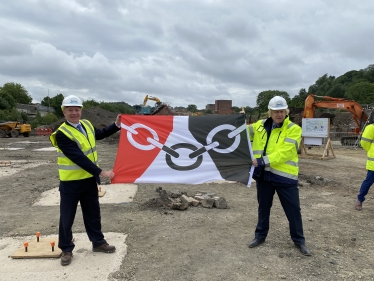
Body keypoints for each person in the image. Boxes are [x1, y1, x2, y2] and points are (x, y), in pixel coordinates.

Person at [50, 95, 121, 266]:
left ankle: (98, 242)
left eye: (77, 109)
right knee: (67, 217)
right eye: (70, 110)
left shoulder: (86, 125)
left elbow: (101, 134)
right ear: (64, 112)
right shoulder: (62, 134)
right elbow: (78, 157)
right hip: (70, 183)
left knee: (93, 214)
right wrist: (100, 172)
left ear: (81, 110)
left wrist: (116, 125)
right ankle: (66, 249)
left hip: (89, 181)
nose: (74, 113)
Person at [246, 96, 311, 256]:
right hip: (264, 176)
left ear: (286, 111)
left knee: (293, 210)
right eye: (276, 111)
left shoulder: (294, 129)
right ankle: (259, 236)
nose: (279, 114)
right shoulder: (260, 125)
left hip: (285, 177)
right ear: (270, 112)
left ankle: (299, 241)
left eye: (282, 111)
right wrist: (238, 120)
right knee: (263, 208)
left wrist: (263, 161)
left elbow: (286, 152)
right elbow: (243, 133)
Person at [355, 123, 374, 211]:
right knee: (368, 182)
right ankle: (360, 200)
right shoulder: (371, 127)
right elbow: (364, 143)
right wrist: (370, 151)